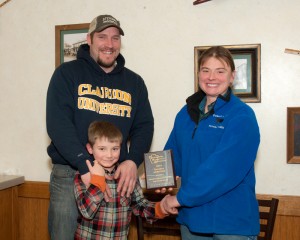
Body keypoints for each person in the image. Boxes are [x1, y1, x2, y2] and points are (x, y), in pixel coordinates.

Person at [46, 14, 154, 240]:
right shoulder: (66, 74)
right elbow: (58, 124)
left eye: (115, 38)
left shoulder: (134, 82)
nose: (109, 44)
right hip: (69, 173)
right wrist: (84, 167)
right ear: (89, 40)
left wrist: (133, 160)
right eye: (102, 37)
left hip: (116, 177)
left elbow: (144, 126)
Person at [160, 46, 260, 240]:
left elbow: (222, 170)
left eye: (220, 71)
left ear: (232, 76)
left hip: (230, 223)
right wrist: (162, 179)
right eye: (206, 70)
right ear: (199, 74)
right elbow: (173, 155)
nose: (211, 77)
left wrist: (178, 198)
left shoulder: (241, 116)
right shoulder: (186, 113)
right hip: (192, 220)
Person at [74, 121, 166, 239]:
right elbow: (86, 212)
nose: (109, 155)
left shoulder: (127, 175)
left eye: (115, 148)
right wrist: (97, 180)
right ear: (90, 148)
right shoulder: (82, 176)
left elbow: (139, 205)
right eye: (102, 149)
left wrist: (161, 208)